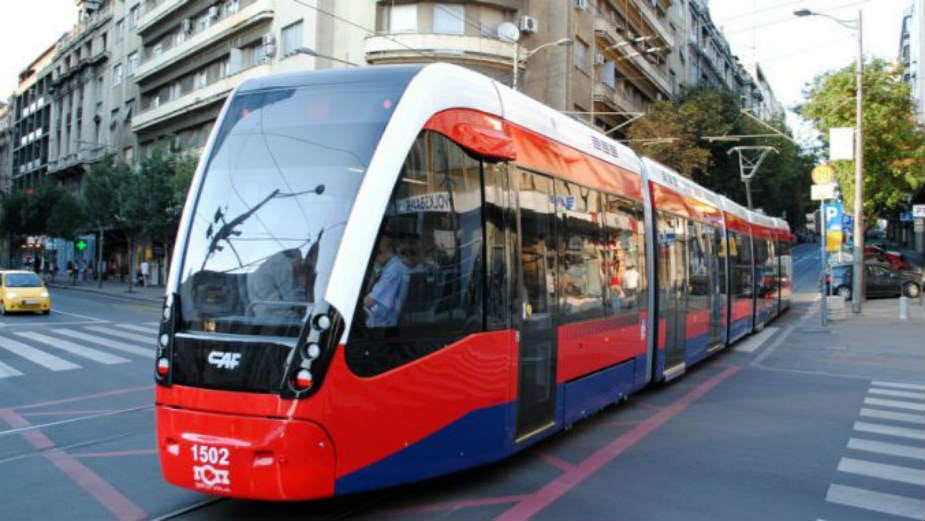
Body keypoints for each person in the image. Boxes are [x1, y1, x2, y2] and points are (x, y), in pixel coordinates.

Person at [364, 236, 409, 328]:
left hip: (382, 324)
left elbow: (369, 301)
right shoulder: (386, 267)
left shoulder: (394, 270)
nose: (375, 256)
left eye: (378, 252)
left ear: (390, 250)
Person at [246, 248, 305, 317]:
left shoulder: (256, 262)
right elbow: (282, 303)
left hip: (265, 315)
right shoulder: (279, 264)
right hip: (277, 318)